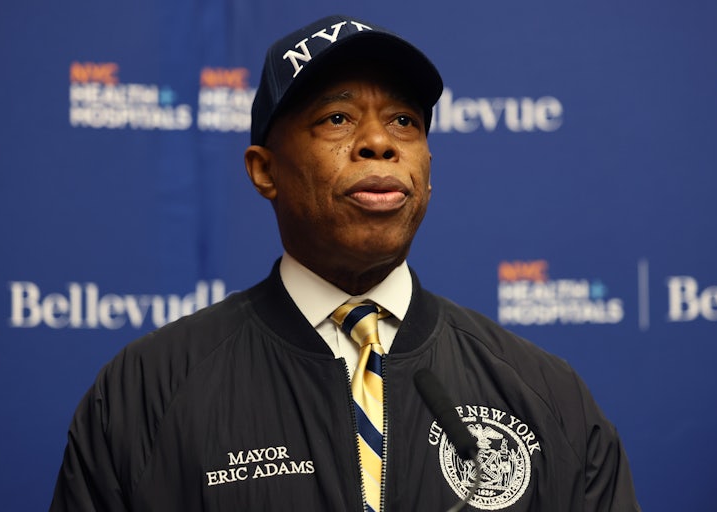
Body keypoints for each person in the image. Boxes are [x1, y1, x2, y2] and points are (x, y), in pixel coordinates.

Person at [50, 14, 640, 511]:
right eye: (336, 118)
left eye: (405, 122)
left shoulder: (547, 396)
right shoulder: (144, 393)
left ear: (428, 171)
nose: (379, 142)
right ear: (264, 171)